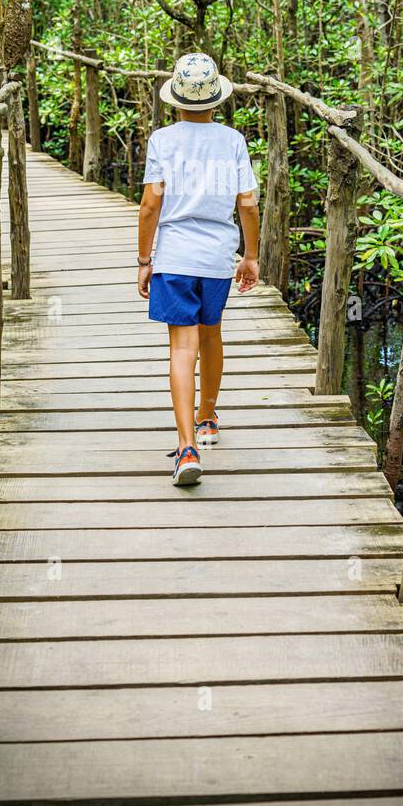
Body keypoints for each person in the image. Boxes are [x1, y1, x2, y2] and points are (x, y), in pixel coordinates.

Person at [137, 52, 260, 486]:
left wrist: (144, 259)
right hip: (216, 258)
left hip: (174, 255)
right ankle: (208, 417)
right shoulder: (232, 141)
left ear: (175, 101)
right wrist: (251, 256)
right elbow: (247, 203)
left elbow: (151, 204)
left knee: (181, 349)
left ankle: (187, 447)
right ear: (216, 100)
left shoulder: (162, 140)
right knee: (212, 335)